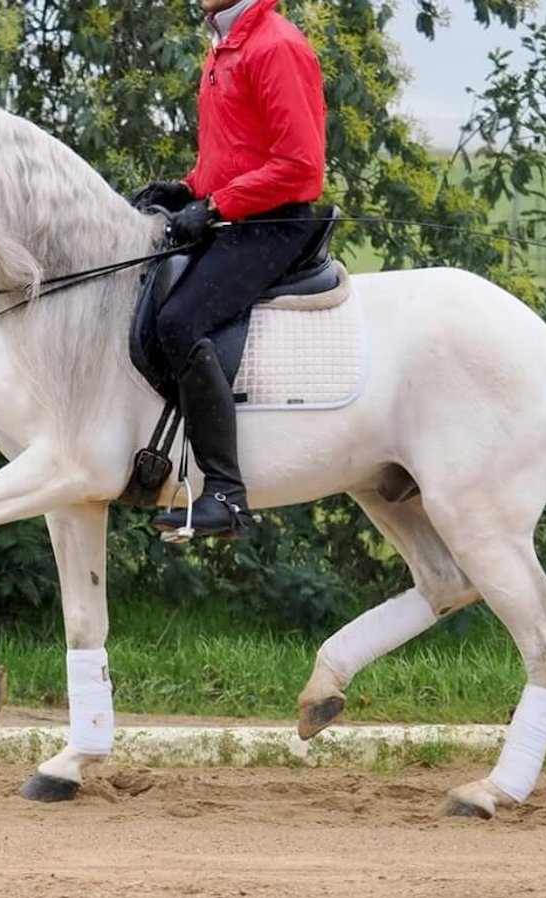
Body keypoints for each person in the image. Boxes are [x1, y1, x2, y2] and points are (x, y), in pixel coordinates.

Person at [135, 0, 327, 539]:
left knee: (179, 321)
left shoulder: (277, 45)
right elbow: (236, 154)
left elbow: (299, 165)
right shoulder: (226, 45)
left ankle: (225, 494)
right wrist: (189, 188)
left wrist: (216, 207)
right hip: (238, 216)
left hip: (273, 225)